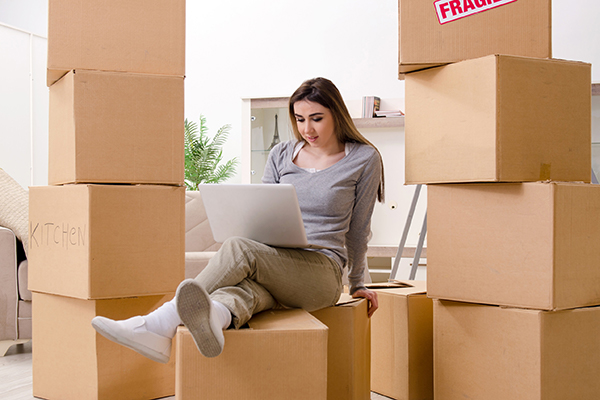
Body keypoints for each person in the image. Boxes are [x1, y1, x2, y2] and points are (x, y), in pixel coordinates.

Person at [91, 77, 385, 363]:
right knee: (245, 293)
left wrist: (358, 282)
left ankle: (156, 324)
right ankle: (218, 320)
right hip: (279, 262)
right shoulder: (281, 154)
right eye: (299, 119)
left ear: (337, 113)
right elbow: (265, 210)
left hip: (322, 273)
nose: (306, 128)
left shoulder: (364, 158)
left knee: (239, 248)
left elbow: (359, 230)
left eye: (316, 118)